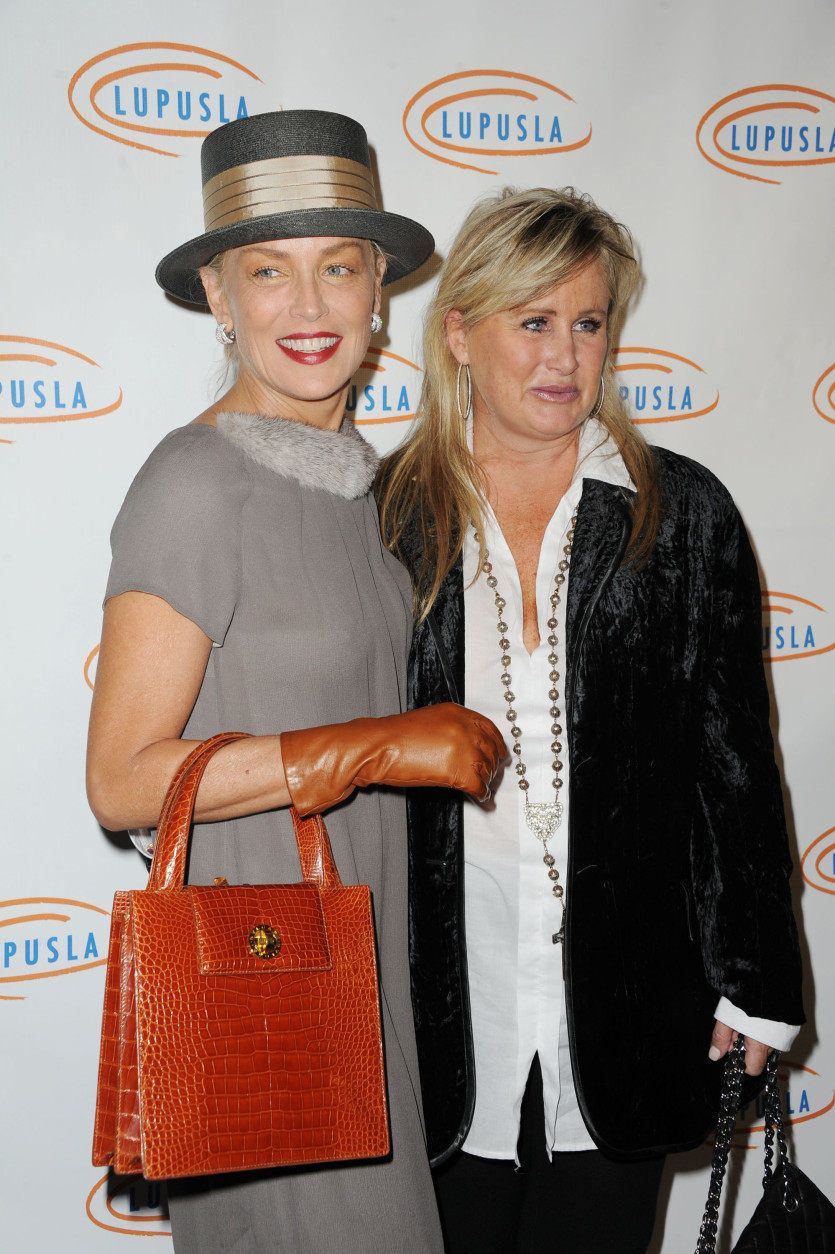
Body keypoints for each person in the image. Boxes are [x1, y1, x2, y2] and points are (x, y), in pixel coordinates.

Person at [86, 110, 505, 1254]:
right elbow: (122, 782)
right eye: (268, 273)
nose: (308, 308)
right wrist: (380, 746)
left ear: (381, 295)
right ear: (219, 298)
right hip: (265, 998)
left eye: (338, 269)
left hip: (370, 989)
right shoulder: (191, 481)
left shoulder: (369, 490)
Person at [376, 187, 805, 1254]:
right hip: (436, 1010)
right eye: (532, 322)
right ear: (460, 335)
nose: (563, 355)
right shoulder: (386, 516)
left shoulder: (679, 509)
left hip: (629, 1005)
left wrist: (756, 980)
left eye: (587, 321)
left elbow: (735, 763)